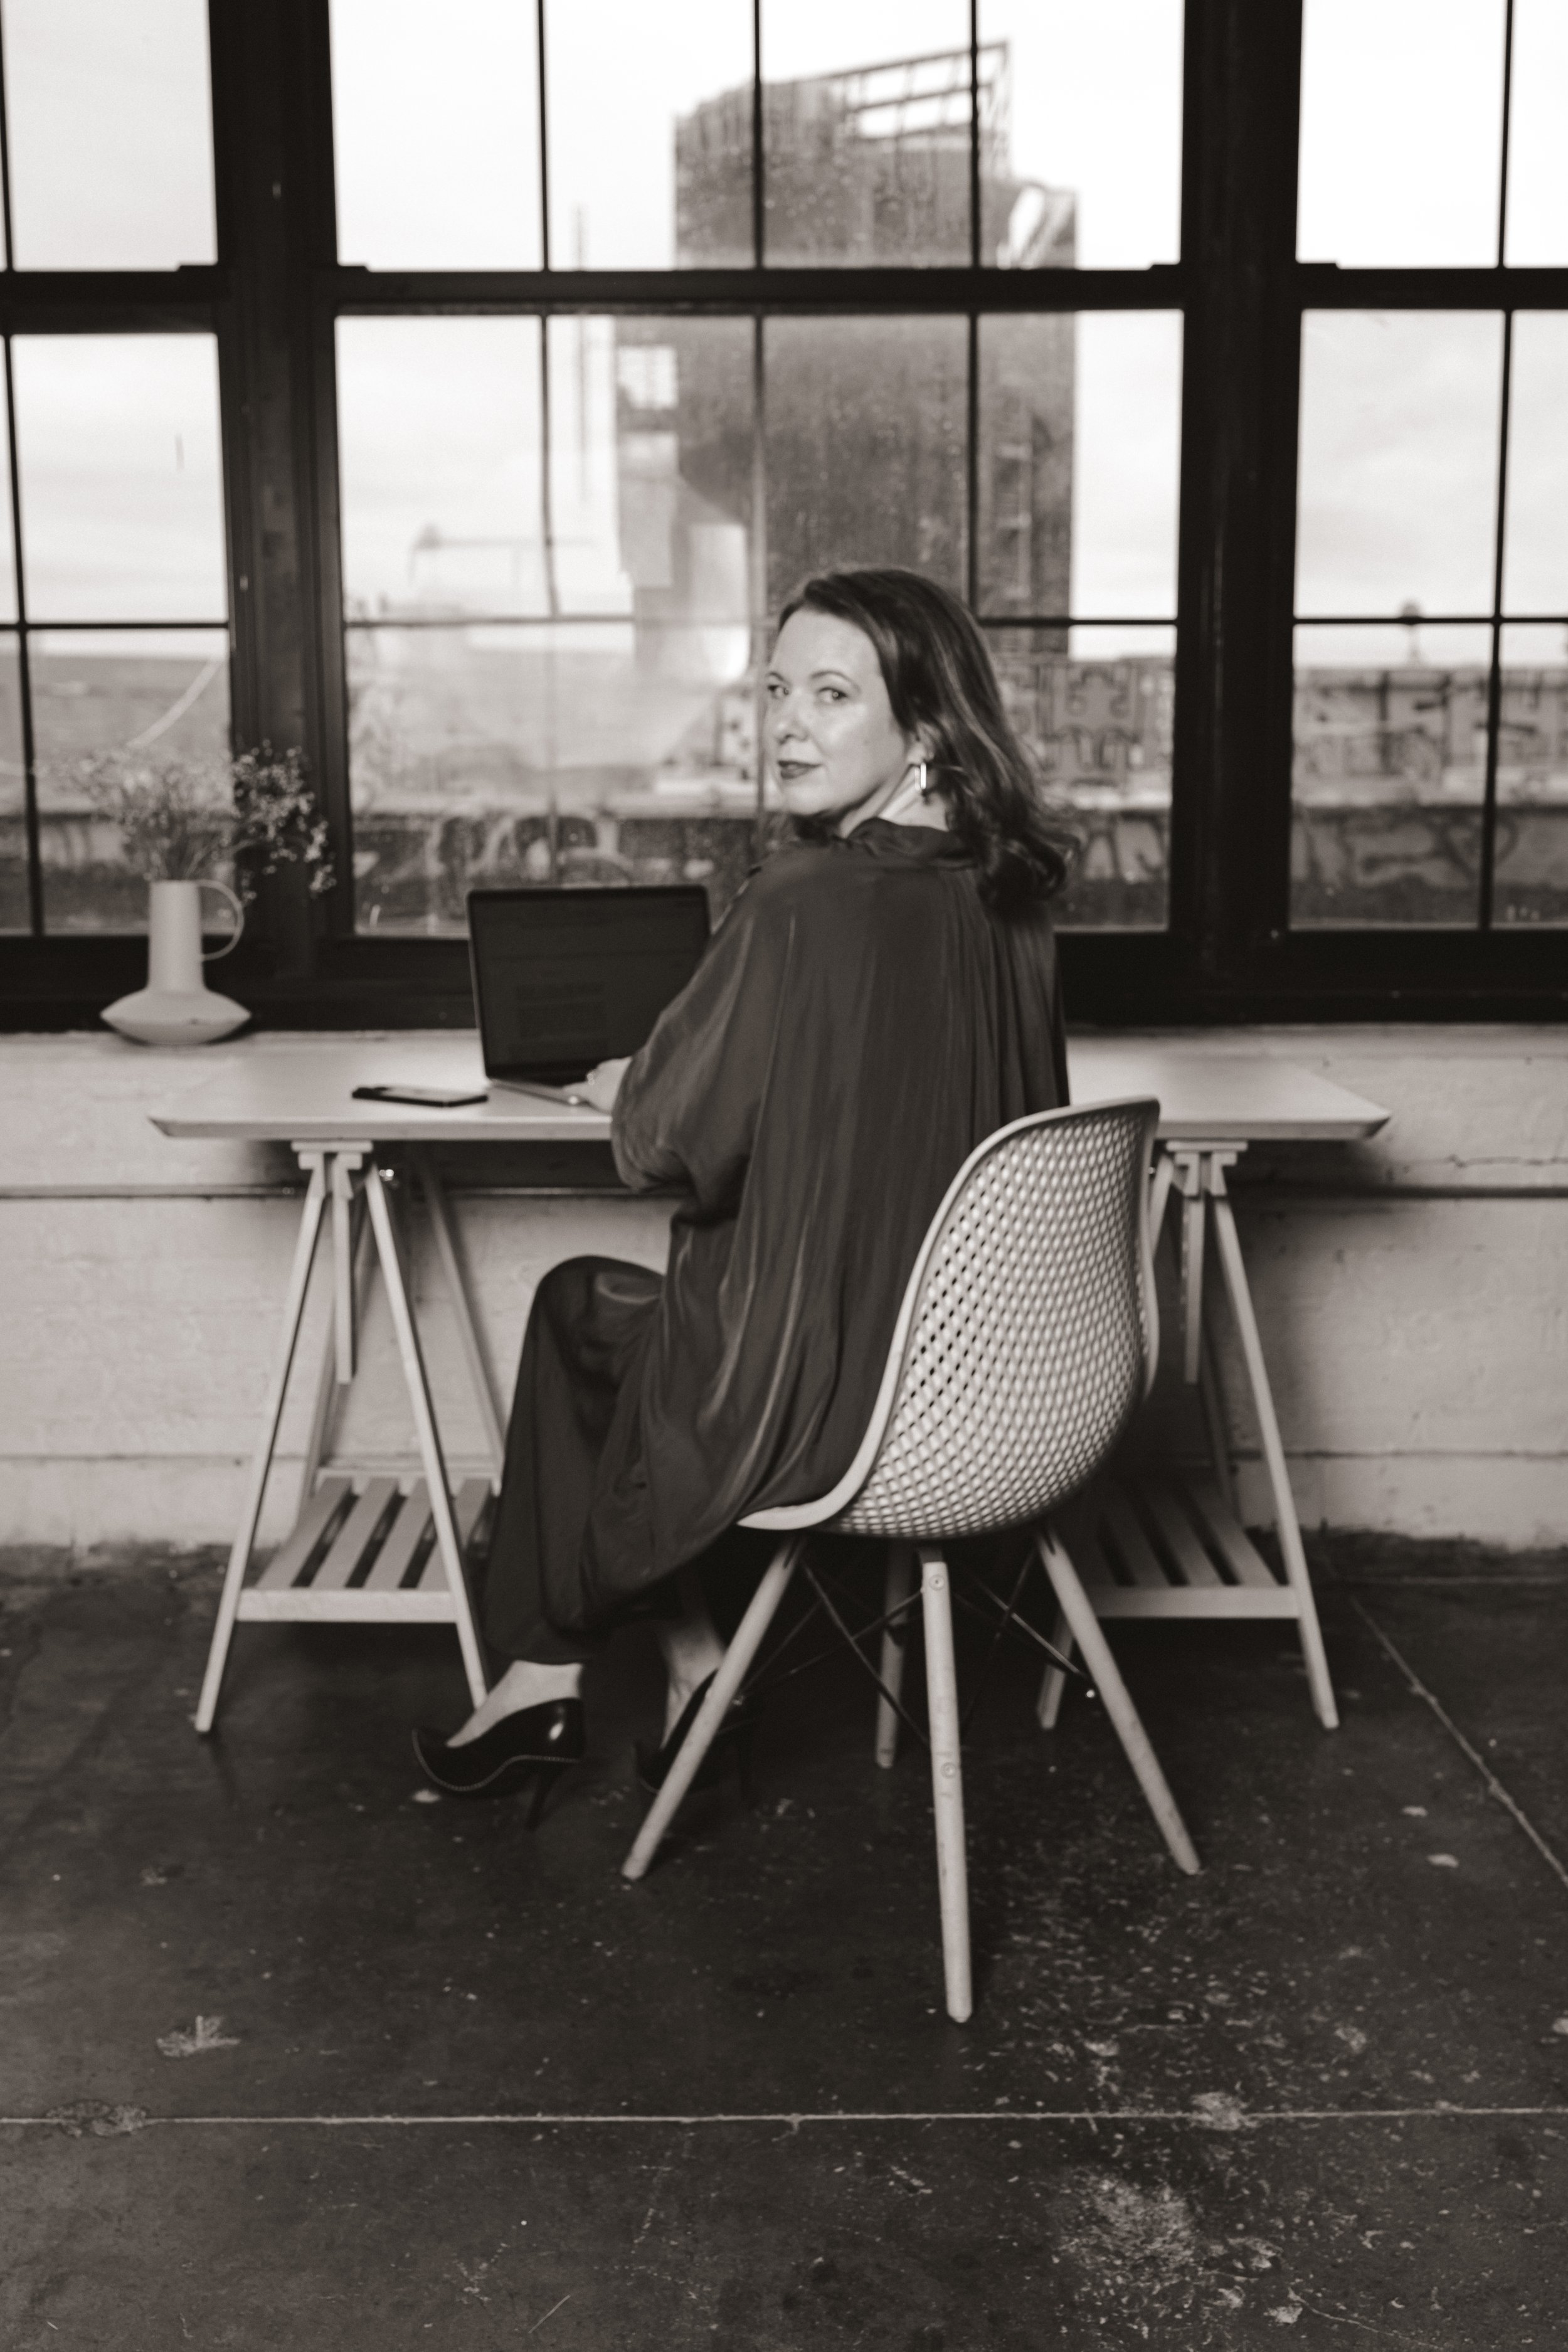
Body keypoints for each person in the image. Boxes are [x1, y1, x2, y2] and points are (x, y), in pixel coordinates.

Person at [413, 565, 1071, 1813]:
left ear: (925, 724)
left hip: (829, 1396)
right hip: (990, 1383)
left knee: (577, 1314)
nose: (786, 725)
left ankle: (553, 1677)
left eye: (830, 694)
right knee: (615, 1323)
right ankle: (662, 1671)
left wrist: (636, 1078)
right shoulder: (1011, 901)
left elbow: (663, 1148)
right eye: (775, 689)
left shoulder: (802, 901)